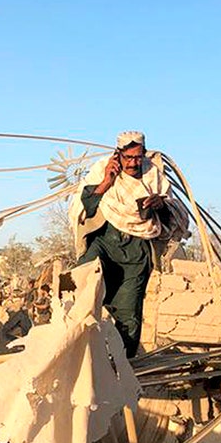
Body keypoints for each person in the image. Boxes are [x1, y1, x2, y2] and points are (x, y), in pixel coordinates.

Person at [69, 131, 186, 357]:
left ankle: (123, 368)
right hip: (105, 241)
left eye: (137, 157)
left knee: (128, 315)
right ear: (118, 154)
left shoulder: (155, 176)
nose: (133, 163)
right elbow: (85, 207)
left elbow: (174, 216)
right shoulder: (101, 169)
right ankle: (77, 354)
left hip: (137, 251)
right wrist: (106, 181)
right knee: (84, 285)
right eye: (128, 158)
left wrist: (159, 205)